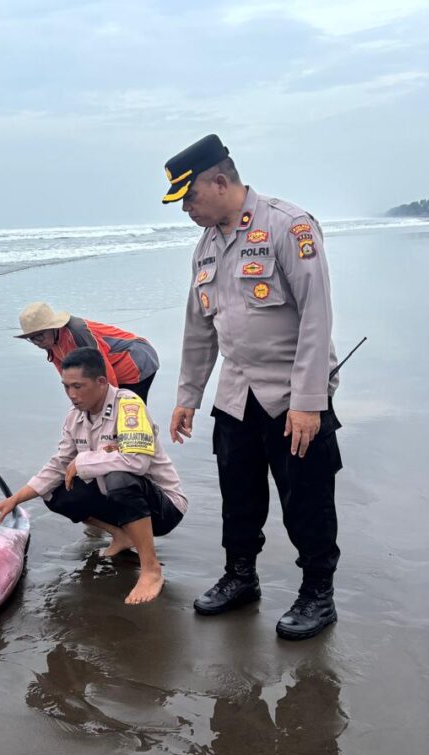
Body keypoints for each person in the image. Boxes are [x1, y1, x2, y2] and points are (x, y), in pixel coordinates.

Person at [162, 134, 344, 640]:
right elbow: (200, 328)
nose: (187, 210)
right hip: (237, 394)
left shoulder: (289, 226)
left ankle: (318, 593)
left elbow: (316, 317)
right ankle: (241, 576)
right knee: (238, 496)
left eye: (189, 197)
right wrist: (188, 396)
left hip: (292, 395)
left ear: (220, 181)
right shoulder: (206, 247)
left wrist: (309, 402)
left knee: (306, 501)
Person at [0, 347, 187, 604]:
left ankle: (151, 570)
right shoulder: (74, 416)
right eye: (66, 387)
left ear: (101, 382)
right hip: (119, 501)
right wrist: (15, 499)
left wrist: (83, 460)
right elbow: (59, 464)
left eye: (78, 386)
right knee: (53, 493)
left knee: (119, 478)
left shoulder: (129, 405)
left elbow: (138, 462)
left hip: (163, 509)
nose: (71, 394)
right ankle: (122, 534)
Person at [16, 302, 160, 402]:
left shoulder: (77, 332)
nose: (37, 342)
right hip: (113, 364)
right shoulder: (49, 341)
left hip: (136, 357)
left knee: (128, 413)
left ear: (52, 327)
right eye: (31, 338)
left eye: (39, 336)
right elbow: (67, 376)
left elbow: (103, 369)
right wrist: (77, 400)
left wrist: (111, 404)